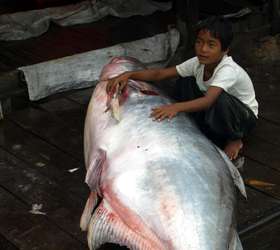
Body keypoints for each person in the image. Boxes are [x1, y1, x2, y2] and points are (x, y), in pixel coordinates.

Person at [106, 16, 258, 161]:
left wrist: (175, 107)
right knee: (185, 79)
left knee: (219, 98)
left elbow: (208, 101)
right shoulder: (197, 63)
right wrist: (129, 74)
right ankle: (193, 122)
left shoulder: (227, 70)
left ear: (225, 51)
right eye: (199, 42)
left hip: (242, 118)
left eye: (211, 45)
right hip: (215, 109)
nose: (203, 49)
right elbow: (160, 73)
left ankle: (235, 139)